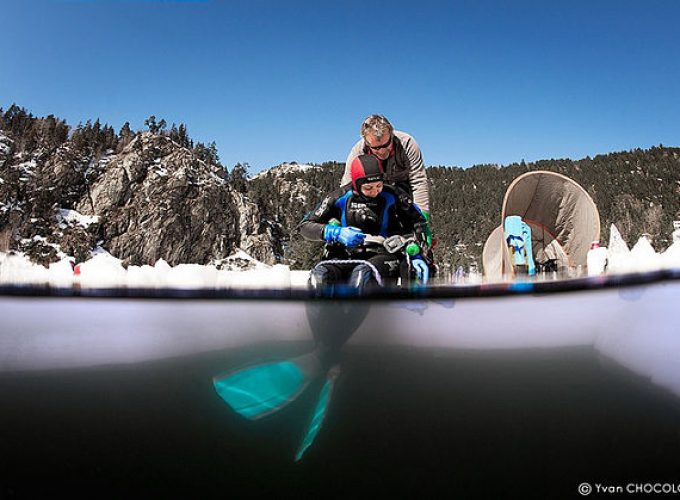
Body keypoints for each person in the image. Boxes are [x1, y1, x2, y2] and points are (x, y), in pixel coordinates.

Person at [300, 154, 429, 292]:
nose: (375, 192)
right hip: (343, 255)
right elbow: (305, 226)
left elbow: (418, 222)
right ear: (356, 184)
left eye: (379, 185)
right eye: (368, 188)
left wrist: (418, 252)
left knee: (363, 276)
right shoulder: (339, 197)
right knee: (319, 278)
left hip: (382, 254)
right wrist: (334, 233)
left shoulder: (394, 195)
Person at [343, 114, 431, 219]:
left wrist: (422, 216)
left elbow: (418, 181)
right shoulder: (358, 152)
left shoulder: (407, 144)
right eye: (376, 148)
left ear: (391, 135)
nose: (382, 152)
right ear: (366, 142)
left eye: (386, 145)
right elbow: (347, 186)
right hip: (373, 193)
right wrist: (340, 215)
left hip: (403, 191)